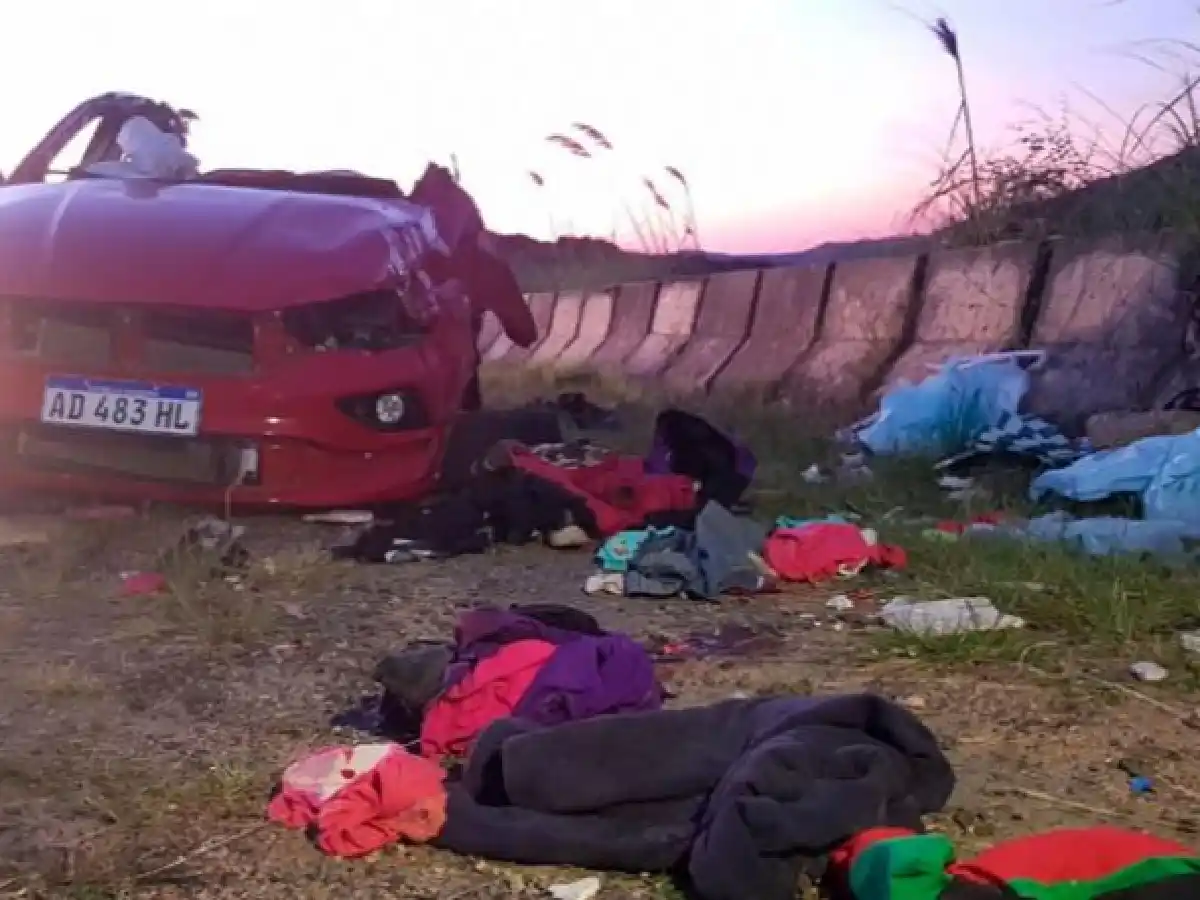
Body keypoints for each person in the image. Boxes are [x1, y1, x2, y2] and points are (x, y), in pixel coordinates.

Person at [409, 165, 537, 408]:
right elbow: (525, 333)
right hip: (458, 389)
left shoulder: (397, 260)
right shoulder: (483, 266)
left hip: (389, 392)